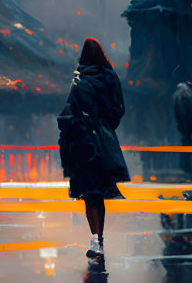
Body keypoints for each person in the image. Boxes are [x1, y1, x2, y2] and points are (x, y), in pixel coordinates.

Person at [57, 37, 130, 262]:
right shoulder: (111, 77)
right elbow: (119, 109)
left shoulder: (79, 81)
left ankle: (95, 239)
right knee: (99, 193)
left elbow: (69, 113)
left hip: (84, 144)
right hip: (104, 143)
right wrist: (105, 127)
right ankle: (101, 237)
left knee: (89, 194)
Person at [171, 78, 192, 181]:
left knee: (186, 145)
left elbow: (177, 112)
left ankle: (187, 169)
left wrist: (180, 124)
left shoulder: (179, 96)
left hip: (185, 125)